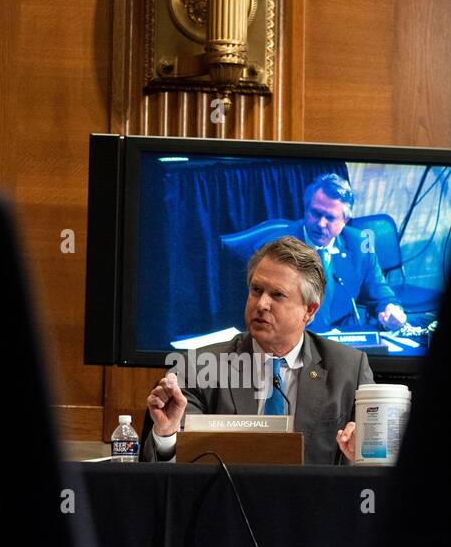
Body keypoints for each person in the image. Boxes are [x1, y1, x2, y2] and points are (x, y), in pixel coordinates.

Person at [142, 236, 372, 465]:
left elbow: (373, 464)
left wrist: (362, 454)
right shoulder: (197, 368)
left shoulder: (349, 370)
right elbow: (174, 471)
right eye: (256, 290)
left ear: (309, 311)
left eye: (277, 295)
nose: (261, 304)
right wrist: (167, 435)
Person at [297, 173, 407, 333]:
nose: (321, 224)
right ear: (306, 209)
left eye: (330, 218)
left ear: (345, 220)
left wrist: (391, 311)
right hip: (296, 335)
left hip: (343, 335)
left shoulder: (360, 244)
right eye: (316, 213)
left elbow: (381, 296)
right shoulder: (280, 243)